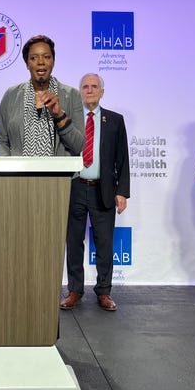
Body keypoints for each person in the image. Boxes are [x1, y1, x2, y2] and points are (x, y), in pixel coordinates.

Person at [60, 73, 130, 312]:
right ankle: (75, 290)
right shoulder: (68, 120)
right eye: (85, 87)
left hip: (104, 189)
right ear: (80, 92)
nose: (89, 90)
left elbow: (123, 159)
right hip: (74, 188)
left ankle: (104, 292)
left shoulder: (116, 120)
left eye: (94, 87)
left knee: (104, 243)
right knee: (74, 241)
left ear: (102, 92)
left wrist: (122, 192)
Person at [0, 34, 84, 156]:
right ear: (27, 63)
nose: (41, 62)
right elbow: (1, 141)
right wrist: (9, 171)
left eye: (47, 57)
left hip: (60, 174)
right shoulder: (11, 95)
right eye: (34, 58)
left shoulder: (72, 95)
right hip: (20, 174)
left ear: (53, 61)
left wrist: (59, 115)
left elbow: (78, 146)